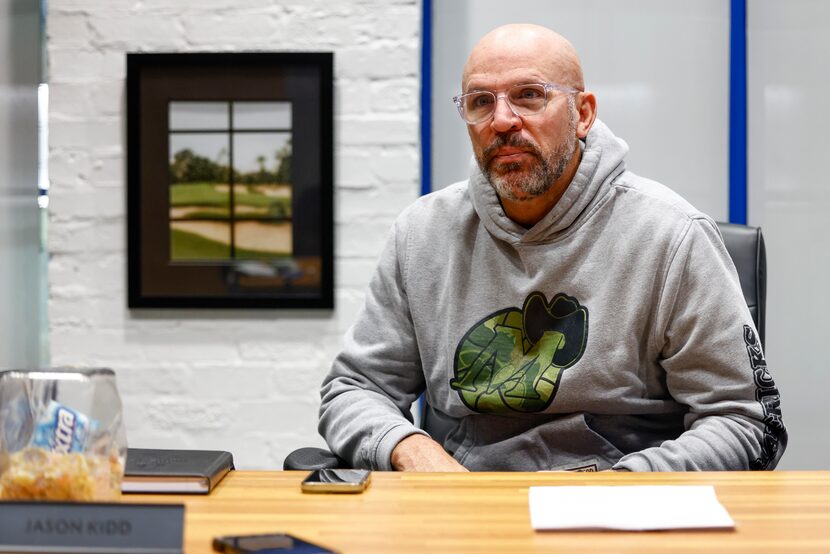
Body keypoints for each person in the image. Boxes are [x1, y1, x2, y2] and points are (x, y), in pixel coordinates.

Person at [318, 23, 787, 472]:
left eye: (529, 95)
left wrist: (624, 489)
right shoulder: (422, 234)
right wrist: (413, 451)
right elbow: (355, 388)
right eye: (481, 101)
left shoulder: (672, 237)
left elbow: (743, 418)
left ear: (582, 114)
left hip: (623, 513)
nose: (502, 120)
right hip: (463, 505)